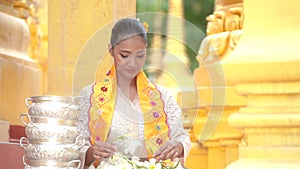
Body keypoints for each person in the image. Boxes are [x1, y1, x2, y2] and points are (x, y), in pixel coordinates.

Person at [78, 18, 191, 169]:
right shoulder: (89, 96)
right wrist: (92, 152)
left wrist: (179, 148)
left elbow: (181, 137)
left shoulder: (163, 97)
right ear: (111, 50)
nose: (132, 63)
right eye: (124, 55)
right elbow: (75, 146)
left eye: (139, 55)